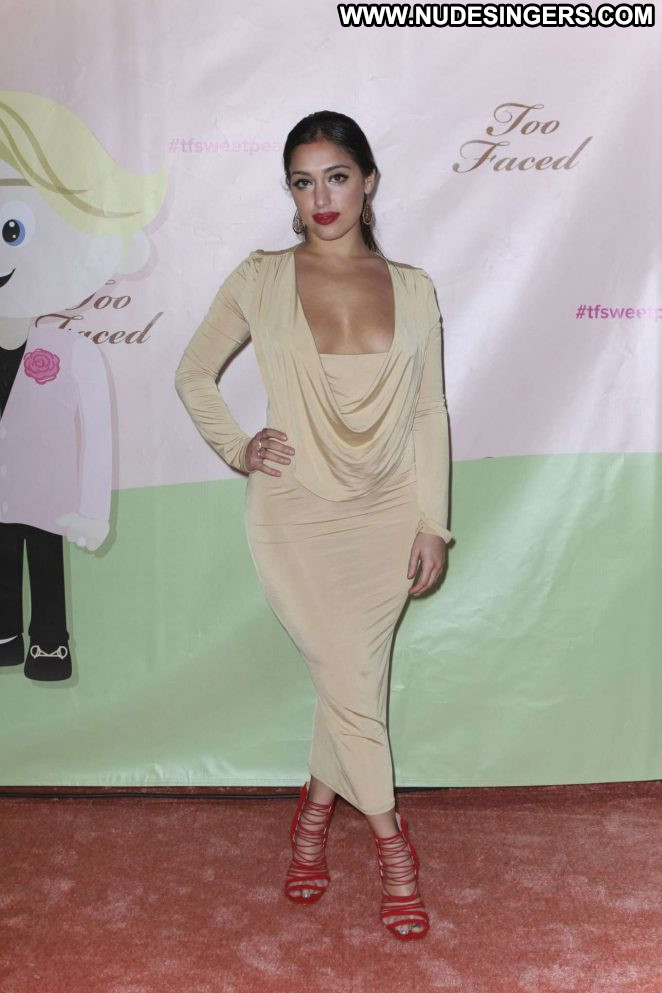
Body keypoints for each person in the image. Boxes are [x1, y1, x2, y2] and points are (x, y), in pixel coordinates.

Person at [174, 110, 452, 941]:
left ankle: (313, 816)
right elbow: (193, 373)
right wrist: (238, 445)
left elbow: (430, 411)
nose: (321, 197)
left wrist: (433, 523)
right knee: (353, 682)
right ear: (290, 193)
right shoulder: (262, 278)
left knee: (349, 682)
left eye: (336, 176)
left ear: (369, 182)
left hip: (387, 513)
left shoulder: (414, 287)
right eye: (303, 181)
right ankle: (394, 849)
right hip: (294, 512)